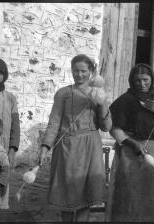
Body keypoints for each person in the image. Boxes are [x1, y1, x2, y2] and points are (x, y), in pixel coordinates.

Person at [38, 54, 112, 222]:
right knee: (66, 193)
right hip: (67, 149)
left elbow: (106, 126)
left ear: (91, 72)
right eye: (75, 71)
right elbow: (54, 122)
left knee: (86, 195)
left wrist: (102, 103)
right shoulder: (63, 94)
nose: (79, 75)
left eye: (83, 71)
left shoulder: (98, 94)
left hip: (90, 148)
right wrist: (45, 147)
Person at [105, 63, 154, 222]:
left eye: (145, 79)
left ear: (151, 79)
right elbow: (113, 128)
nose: (142, 84)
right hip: (129, 153)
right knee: (127, 195)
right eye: (137, 80)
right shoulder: (125, 100)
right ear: (132, 81)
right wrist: (132, 143)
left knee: (153, 196)